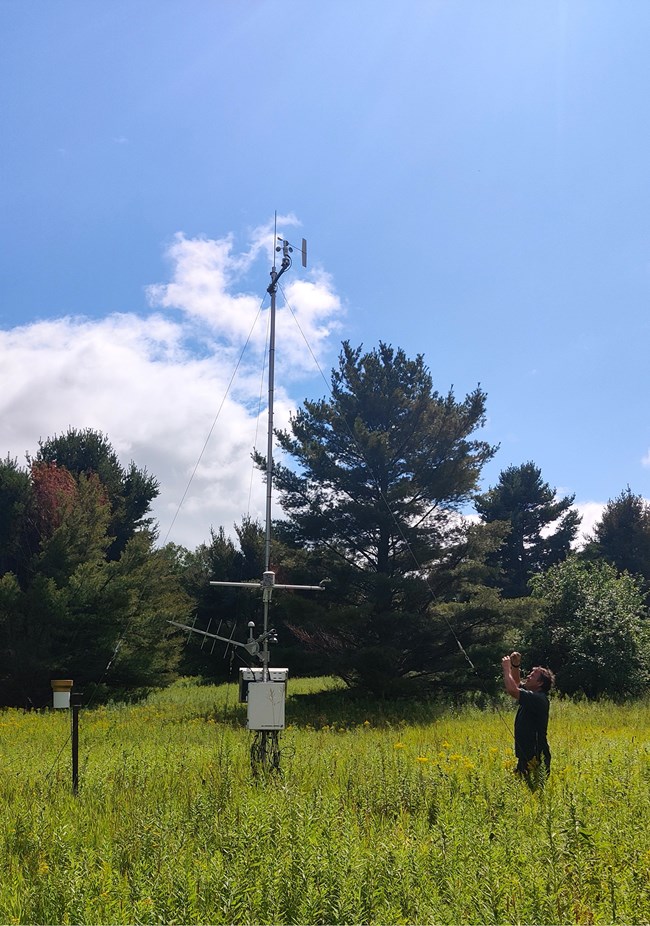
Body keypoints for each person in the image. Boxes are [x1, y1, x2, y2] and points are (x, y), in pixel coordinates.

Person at [502, 651, 554, 786]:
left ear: (540, 683)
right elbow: (517, 684)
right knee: (521, 791)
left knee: (534, 794)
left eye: (533, 675)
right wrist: (515, 665)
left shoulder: (538, 699)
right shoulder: (533, 694)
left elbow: (513, 690)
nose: (529, 676)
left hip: (536, 758)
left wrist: (506, 668)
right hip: (526, 757)